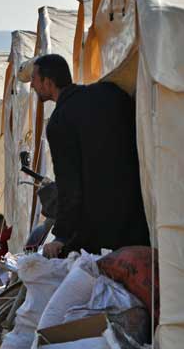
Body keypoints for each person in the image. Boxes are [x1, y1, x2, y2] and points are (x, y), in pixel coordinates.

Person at [29, 54, 150, 258]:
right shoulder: (110, 93)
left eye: (34, 79)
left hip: (101, 231)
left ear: (48, 83)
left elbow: (69, 185)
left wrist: (61, 236)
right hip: (140, 214)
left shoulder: (59, 122)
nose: (31, 85)